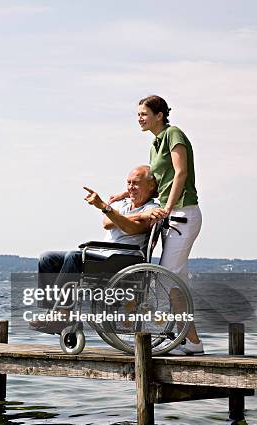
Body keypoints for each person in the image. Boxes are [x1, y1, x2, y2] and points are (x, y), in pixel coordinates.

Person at [109, 95, 203, 355]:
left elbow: (181, 173)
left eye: (144, 113)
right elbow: (155, 182)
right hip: (172, 217)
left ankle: (178, 336)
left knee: (165, 277)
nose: (139, 118)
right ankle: (192, 341)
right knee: (176, 280)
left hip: (183, 214)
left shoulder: (174, 134)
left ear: (159, 115)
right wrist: (124, 195)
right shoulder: (155, 144)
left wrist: (169, 207)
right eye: (138, 114)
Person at [32, 165, 159, 332]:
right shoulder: (123, 204)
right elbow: (107, 224)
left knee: (75, 256)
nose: (130, 187)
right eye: (128, 183)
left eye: (135, 183)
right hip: (104, 255)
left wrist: (108, 210)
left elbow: (132, 229)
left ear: (150, 186)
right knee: (47, 258)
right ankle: (53, 310)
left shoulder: (152, 208)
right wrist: (135, 216)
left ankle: (62, 314)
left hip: (125, 260)